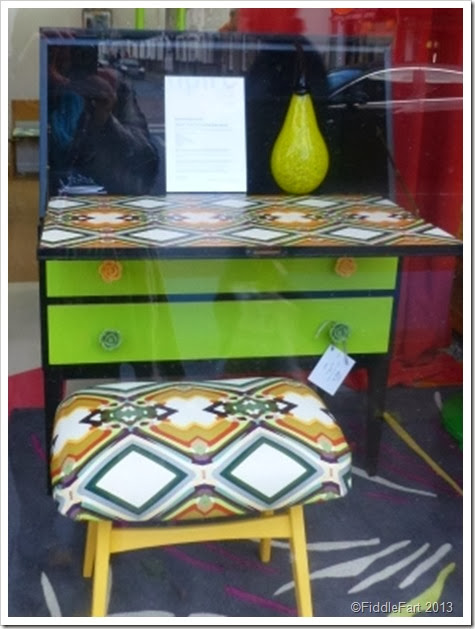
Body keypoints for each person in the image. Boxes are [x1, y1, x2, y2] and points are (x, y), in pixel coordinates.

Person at [48, 45, 159, 196]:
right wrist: (51, 89)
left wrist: (105, 119)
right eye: (57, 56)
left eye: (79, 55)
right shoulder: (47, 92)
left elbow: (145, 163)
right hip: (56, 197)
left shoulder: (112, 85)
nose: (70, 63)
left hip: (110, 195)